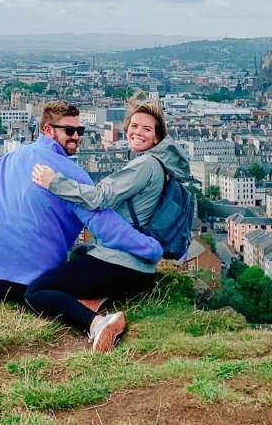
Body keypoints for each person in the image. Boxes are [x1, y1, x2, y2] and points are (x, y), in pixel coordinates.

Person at [0, 101, 163, 351]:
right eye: (69, 131)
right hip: (31, 281)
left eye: (80, 131)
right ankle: (93, 318)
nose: (76, 137)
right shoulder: (72, 175)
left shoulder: (11, 158)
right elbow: (105, 225)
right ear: (47, 129)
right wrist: (150, 249)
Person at [25, 97, 189, 347]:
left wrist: (54, 182)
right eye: (134, 126)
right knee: (79, 256)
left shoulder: (145, 165)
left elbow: (98, 197)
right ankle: (94, 299)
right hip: (138, 268)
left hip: (121, 265)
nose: (137, 132)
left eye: (146, 129)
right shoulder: (159, 165)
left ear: (157, 138)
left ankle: (97, 323)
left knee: (35, 292)